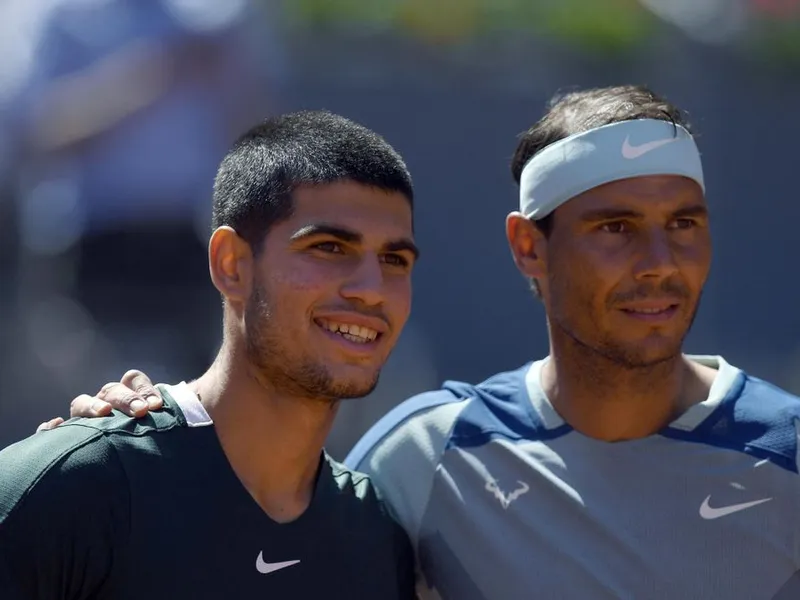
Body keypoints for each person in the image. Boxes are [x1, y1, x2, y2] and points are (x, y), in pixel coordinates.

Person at [41, 85, 800, 599]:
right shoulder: (420, 459)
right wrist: (131, 434)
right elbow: (253, 511)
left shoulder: (790, 452)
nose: (659, 265)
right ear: (529, 250)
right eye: (615, 229)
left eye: (684, 225)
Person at [0, 110, 419, 599]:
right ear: (232, 265)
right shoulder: (75, 486)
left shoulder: (377, 533)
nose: (371, 289)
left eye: (394, 259)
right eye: (329, 248)